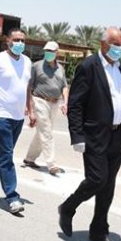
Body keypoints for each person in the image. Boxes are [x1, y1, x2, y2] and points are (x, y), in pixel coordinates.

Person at [58, 27, 121, 241]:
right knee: (97, 179)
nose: (120, 49)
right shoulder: (89, 66)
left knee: (108, 186)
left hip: (118, 135)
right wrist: (77, 135)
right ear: (104, 44)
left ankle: (99, 230)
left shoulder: (120, 66)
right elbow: (76, 104)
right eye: (117, 45)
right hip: (95, 135)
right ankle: (68, 207)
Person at [0, 29, 36, 215]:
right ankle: (12, 196)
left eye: (22, 40)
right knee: (7, 155)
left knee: (2, 153)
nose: (19, 43)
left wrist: (31, 110)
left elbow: (27, 88)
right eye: (16, 39)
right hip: (1, 115)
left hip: (18, 116)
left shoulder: (27, 62)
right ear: (7, 40)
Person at [23, 41, 69, 176]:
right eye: (47, 51)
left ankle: (29, 158)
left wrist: (65, 102)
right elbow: (29, 87)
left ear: (57, 53)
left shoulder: (60, 68)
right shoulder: (36, 66)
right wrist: (29, 107)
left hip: (55, 103)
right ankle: (52, 164)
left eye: (51, 51)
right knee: (46, 132)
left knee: (41, 133)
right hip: (39, 101)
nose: (48, 53)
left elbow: (64, 86)